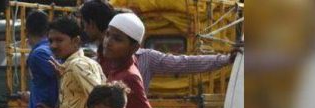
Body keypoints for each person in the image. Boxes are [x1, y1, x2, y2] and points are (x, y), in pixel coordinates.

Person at [79, 0, 238, 92]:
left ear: (134, 46)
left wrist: (226, 59)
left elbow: (184, 63)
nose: (108, 42)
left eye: (117, 38)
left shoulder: (143, 61)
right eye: (108, 35)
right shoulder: (93, 62)